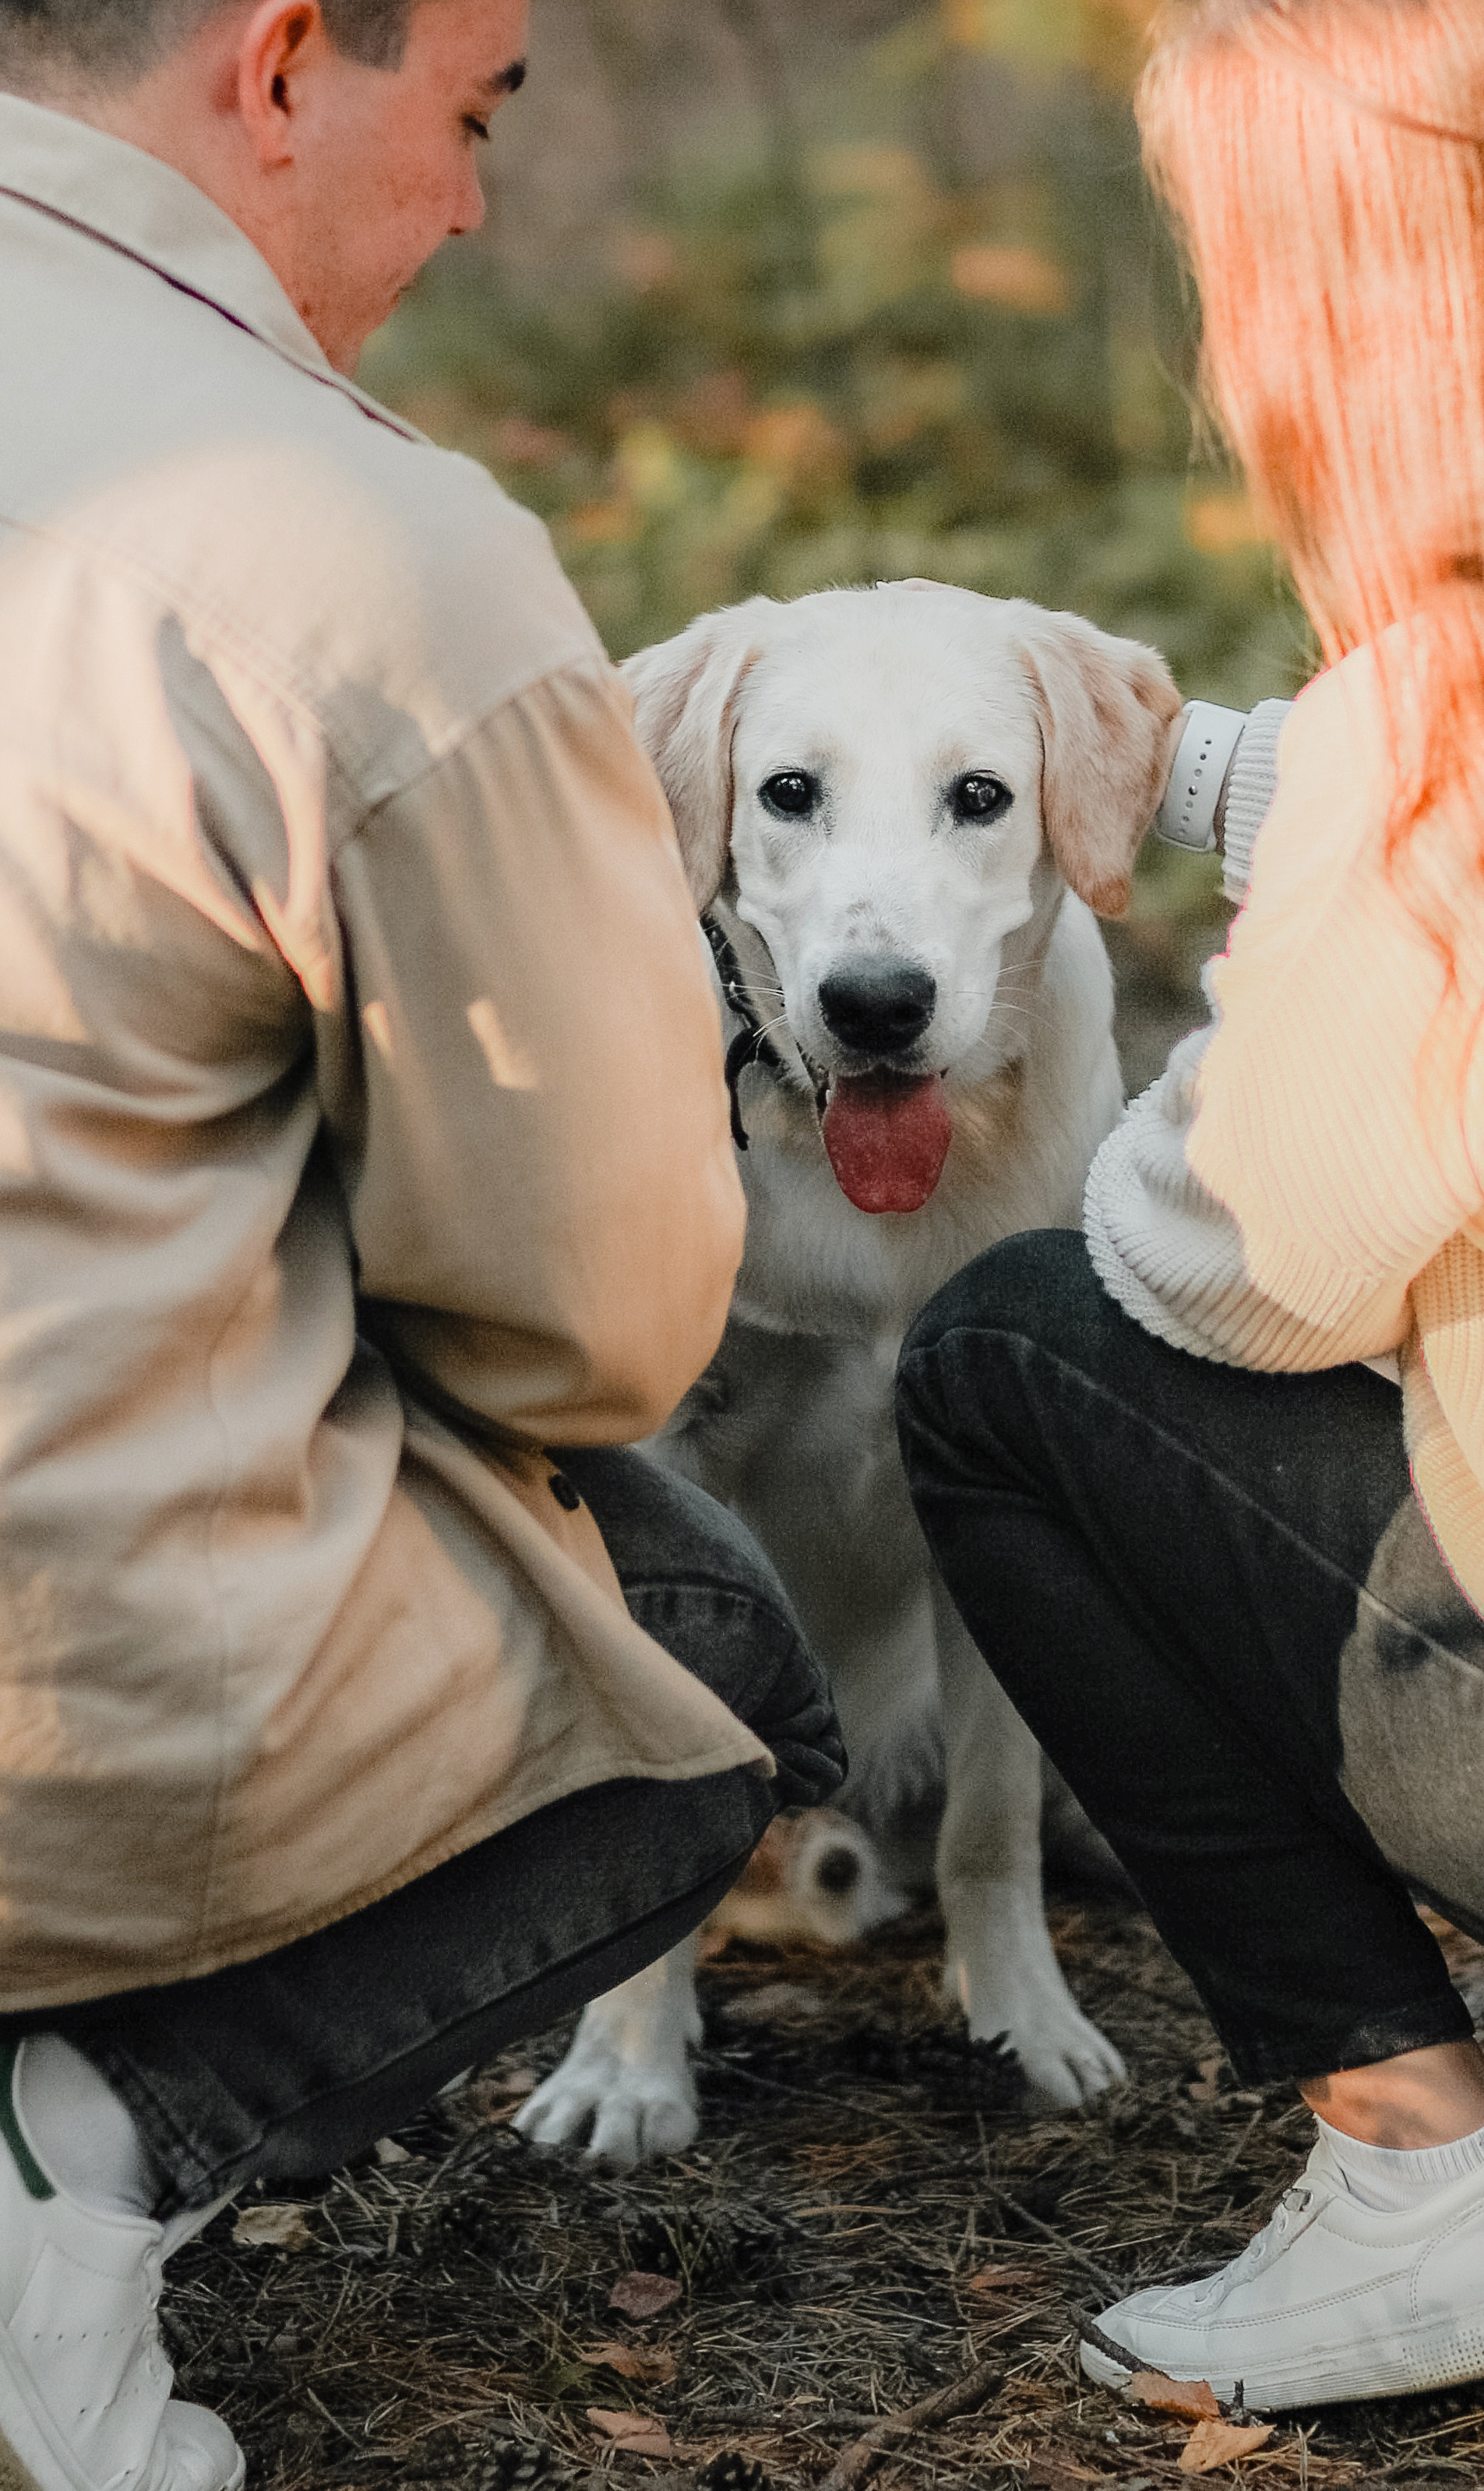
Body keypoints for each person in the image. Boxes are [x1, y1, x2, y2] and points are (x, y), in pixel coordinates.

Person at [0, 5, 844, 2489]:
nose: (473, 205)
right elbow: (594, 1322)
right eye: (469, 110)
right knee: (705, 1657)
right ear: (280, 63)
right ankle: (74, 2148)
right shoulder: (353, 548)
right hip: (51, 1714)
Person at [897, 0, 1484, 2417]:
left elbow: (1218, 1272)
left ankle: (1414, 2183)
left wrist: (1268, 942)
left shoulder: (1466, 728)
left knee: (1010, 1350)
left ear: (1352, 305)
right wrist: (1256, 778)